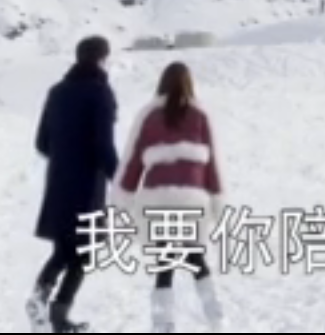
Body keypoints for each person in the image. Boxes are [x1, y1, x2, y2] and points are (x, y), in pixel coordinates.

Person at [117, 61, 225, 332]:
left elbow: (133, 162)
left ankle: (162, 325)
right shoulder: (201, 115)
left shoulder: (149, 116)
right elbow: (213, 164)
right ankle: (217, 319)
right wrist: (217, 201)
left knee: (165, 263)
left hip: (158, 200)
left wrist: (123, 199)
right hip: (192, 200)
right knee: (196, 259)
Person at [26, 35, 121, 334]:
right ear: (103, 59)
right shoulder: (100, 92)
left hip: (58, 183)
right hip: (87, 188)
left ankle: (51, 311)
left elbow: (42, 142)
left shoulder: (56, 92)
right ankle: (49, 306)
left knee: (65, 249)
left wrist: (65, 156)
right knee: (85, 252)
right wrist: (121, 180)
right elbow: (103, 145)